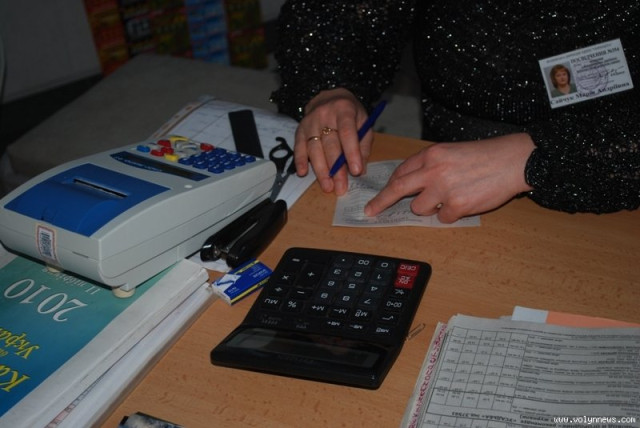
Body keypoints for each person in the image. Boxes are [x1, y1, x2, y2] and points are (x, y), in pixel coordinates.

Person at [270, 1, 639, 223]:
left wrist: (543, 156)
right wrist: (331, 84)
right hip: (440, 164)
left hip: (606, 173)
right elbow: (342, 13)